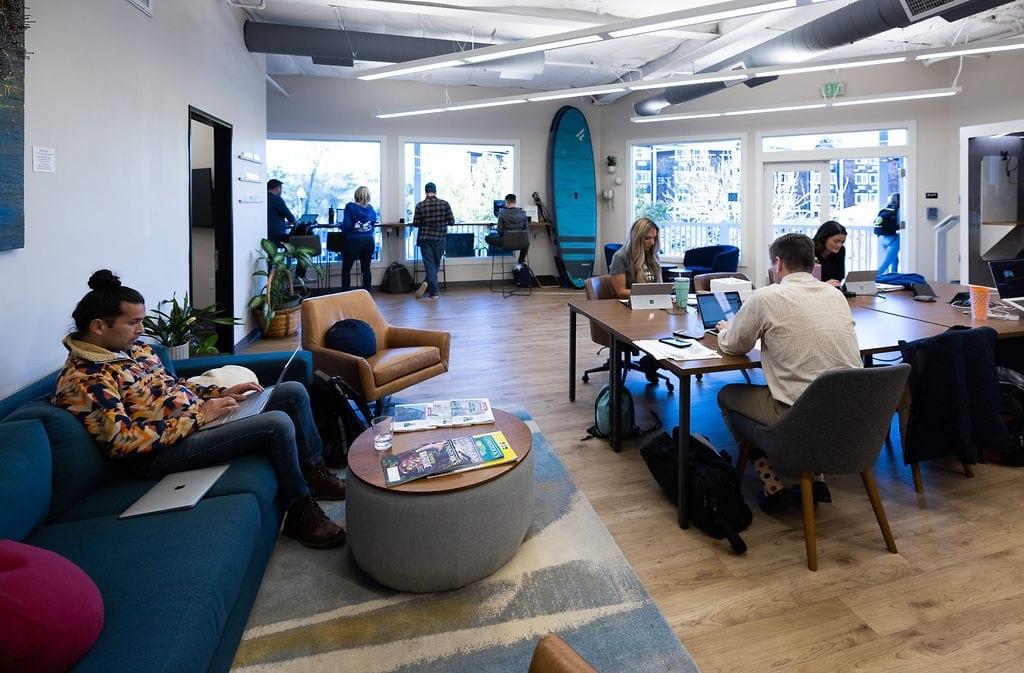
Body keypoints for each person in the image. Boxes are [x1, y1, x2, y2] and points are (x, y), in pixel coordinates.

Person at [52, 270, 348, 549]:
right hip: (157, 455)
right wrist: (200, 415)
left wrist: (221, 393)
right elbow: (122, 441)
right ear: (98, 326)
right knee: (276, 424)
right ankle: (300, 510)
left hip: (191, 424)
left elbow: (173, 386)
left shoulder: (133, 349)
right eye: (133, 323)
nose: (141, 330)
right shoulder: (86, 378)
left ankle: (313, 472)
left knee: (293, 392)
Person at [715, 234, 862, 512]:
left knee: (726, 395)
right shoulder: (835, 295)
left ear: (779, 264)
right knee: (816, 382)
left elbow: (735, 346)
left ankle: (772, 485)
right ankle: (816, 478)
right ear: (812, 263)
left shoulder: (767, 296)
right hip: (850, 415)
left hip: (797, 417)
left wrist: (725, 331)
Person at [411, 182, 454, 299]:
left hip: (425, 238)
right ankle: (432, 289)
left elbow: (415, 224)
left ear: (425, 192)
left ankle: (431, 287)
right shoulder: (445, 204)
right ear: (435, 191)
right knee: (436, 262)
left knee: (429, 263)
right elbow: (452, 222)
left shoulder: (420, 206)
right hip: (440, 238)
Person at [609, 216, 661, 298]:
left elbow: (659, 286)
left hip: (652, 302)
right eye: (647, 238)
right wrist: (649, 293)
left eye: (654, 238)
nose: (652, 243)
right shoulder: (620, 257)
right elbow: (621, 292)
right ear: (636, 238)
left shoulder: (653, 256)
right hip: (631, 305)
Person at [340, 186, 377, 292]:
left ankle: (345, 294)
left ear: (356, 195)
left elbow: (346, 225)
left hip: (354, 242)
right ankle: (367, 293)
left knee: (346, 270)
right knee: (366, 269)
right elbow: (373, 224)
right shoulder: (371, 208)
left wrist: (341, 227)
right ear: (368, 196)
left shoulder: (350, 206)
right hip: (369, 241)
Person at [485, 193, 529, 264]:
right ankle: (520, 262)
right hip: (521, 243)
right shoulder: (523, 214)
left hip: (507, 243)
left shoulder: (502, 214)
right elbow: (526, 230)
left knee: (487, 238)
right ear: (515, 202)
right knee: (527, 242)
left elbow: (499, 230)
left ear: (506, 202)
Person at [812, 220, 847, 287]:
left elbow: (840, 276)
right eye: (836, 241)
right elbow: (805, 280)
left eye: (842, 242)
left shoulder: (841, 250)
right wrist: (824, 285)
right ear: (824, 238)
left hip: (832, 290)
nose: (839, 245)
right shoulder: (809, 249)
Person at [875, 192, 900, 275]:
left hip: (882, 238)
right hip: (893, 239)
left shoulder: (886, 208)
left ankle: (894, 276)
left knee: (894, 259)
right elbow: (900, 224)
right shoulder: (899, 210)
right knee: (885, 265)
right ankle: (873, 279)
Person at [267, 178, 296, 245]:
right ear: (277, 189)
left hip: (264, 234)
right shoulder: (277, 199)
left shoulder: (263, 198)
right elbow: (288, 215)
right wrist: (294, 222)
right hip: (276, 236)